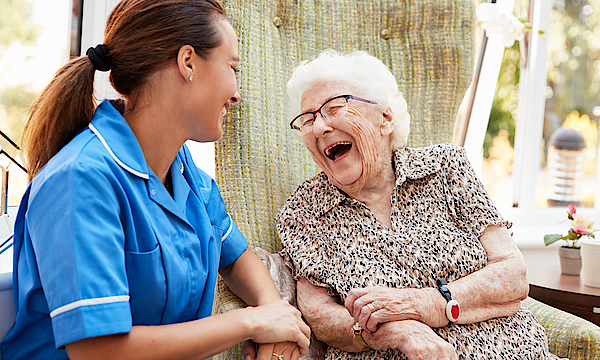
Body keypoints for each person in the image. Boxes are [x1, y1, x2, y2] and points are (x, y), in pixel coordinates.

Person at [0, 1, 311, 360]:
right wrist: (252, 323)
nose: (236, 92)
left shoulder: (181, 170)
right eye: (232, 67)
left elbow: (235, 255)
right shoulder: (80, 180)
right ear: (188, 62)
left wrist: (276, 315)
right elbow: (99, 350)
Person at [276, 50, 562, 360]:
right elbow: (321, 317)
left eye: (334, 107)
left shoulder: (447, 168)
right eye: (308, 119)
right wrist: (397, 331)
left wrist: (423, 305)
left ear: (385, 119)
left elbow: (512, 275)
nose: (319, 128)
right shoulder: (304, 211)